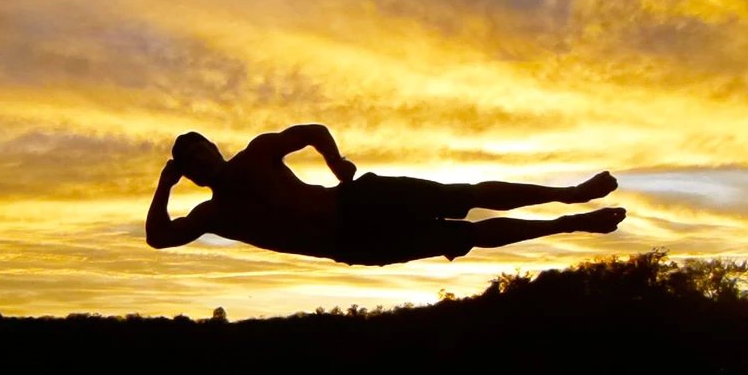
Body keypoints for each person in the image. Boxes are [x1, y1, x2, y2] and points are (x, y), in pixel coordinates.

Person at [146, 124, 626, 266]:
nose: (202, 161)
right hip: (353, 245)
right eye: (191, 163)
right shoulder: (213, 215)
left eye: (203, 150)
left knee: (465, 193)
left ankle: (569, 193)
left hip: (357, 201)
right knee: (467, 235)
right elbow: (158, 239)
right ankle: (571, 224)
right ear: (189, 175)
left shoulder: (257, 154)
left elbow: (313, 130)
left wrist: (336, 164)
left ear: (215, 148)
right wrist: (163, 188)